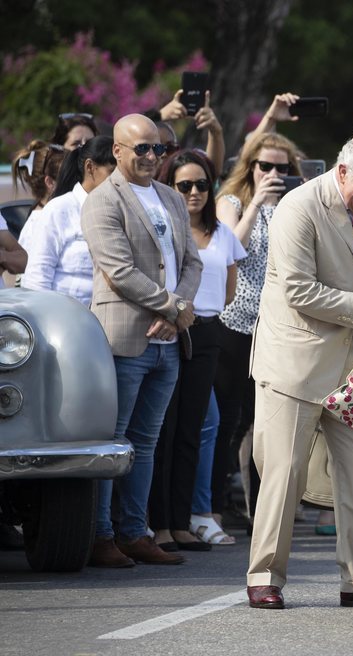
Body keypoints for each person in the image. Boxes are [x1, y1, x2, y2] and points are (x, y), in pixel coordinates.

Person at [245, 132, 353, 610]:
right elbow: (300, 291)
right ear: (342, 171)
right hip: (293, 365)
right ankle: (264, 577)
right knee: (284, 474)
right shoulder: (297, 208)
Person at [80, 114, 202, 567]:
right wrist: (173, 307)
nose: (152, 157)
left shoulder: (170, 197)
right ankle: (99, 535)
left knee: (146, 442)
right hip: (125, 337)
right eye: (142, 149)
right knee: (112, 441)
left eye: (159, 149)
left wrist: (178, 311)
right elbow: (118, 270)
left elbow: (193, 263)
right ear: (116, 150)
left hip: (168, 340)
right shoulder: (102, 201)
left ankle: (135, 531)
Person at [148, 150, 246, 552]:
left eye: (202, 184)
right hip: (168, 327)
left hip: (208, 331)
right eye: (184, 185)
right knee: (164, 431)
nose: (194, 192)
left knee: (194, 428)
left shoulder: (222, 232)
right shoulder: (163, 227)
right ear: (169, 186)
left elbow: (229, 289)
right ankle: (159, 525)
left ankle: (183, 520)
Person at [211, 132, 301, 540]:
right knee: (230, 420)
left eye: (282, 168)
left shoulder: (294, 206)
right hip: (235, 323)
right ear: (250, 167)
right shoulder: (232, 202)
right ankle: (217, 504)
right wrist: (258, 204)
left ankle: (262, 511)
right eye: (266, 166)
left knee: (266, 423)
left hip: (277, 327)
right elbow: (232, 247)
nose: (274, 174)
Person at [21, 135, 116, 305]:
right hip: (64, 321)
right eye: (112, 172)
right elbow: (37, 277)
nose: (119, 181)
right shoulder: (60, 209)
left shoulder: (121, 209)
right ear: (90, 167)